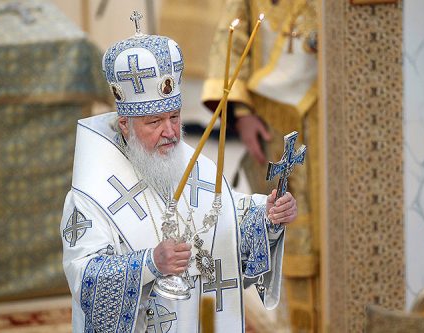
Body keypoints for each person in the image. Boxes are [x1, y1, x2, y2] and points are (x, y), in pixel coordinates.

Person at [60, 15, 297, 332]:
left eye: (174, 116)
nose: (171, 132)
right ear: (125, 125)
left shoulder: (194, 165)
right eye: (154, 122)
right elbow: (85, 276)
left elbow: (225, 219)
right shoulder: (91, 194)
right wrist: (149, 264)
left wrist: (266, 216)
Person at [201, 0, 320, 331]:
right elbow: (234, 35)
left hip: (332, 113)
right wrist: (242, 113)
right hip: (274, 118)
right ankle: (293, 325)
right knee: (285, 225)